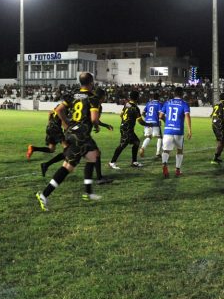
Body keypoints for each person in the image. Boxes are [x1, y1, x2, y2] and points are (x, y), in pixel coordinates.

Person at [35, 72, 101, 211]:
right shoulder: (93, 97)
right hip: (80, 136)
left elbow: (58, 109)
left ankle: (88, 193)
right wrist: (96, 126)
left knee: (93, 156)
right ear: (91, 83)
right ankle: (44, 195)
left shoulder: (74, 94)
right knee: (68, 167)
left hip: (75, 133)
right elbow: (94, 119)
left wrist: (66, 123)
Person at [159, 86, 191, 178]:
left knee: (166, 150)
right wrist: (189, 130)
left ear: (174, 94)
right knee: (179, 150)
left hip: (168, 130)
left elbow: (160, 116)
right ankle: (177, 170)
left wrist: (167, 122)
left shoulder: (167, 102)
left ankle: (164, 164)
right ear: (182, 94)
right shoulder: (184, 104)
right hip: (178, 131)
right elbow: (187, 116)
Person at [108, 90, 145, 169]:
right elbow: (140, 121)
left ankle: (134, 162)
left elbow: (121, 115)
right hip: (127, 129)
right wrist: (149, 124)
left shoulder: (126, 104)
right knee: (122, 145)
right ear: (137, 98)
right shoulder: (135, 108)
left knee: (136, 142)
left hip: (125, 127)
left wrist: (127, 120)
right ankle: (112, 162)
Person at [92, 87, 115, 184]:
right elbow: (94, 119)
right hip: (82, 133)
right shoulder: (96, 104)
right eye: (104, 96)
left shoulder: (90, 101)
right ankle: (99, 178)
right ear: (102, 97)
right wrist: (97, 125)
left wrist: (104, 125)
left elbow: (94, 119)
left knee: (70, 155)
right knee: (96, 153)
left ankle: (47, 165)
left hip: (73, 130)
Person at [210, 91, 224, 165]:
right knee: (222, 141)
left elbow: (212, 114)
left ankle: (217, 157)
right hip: (219, 125)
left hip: (215, 124)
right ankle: (215, 158)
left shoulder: (217, 104)